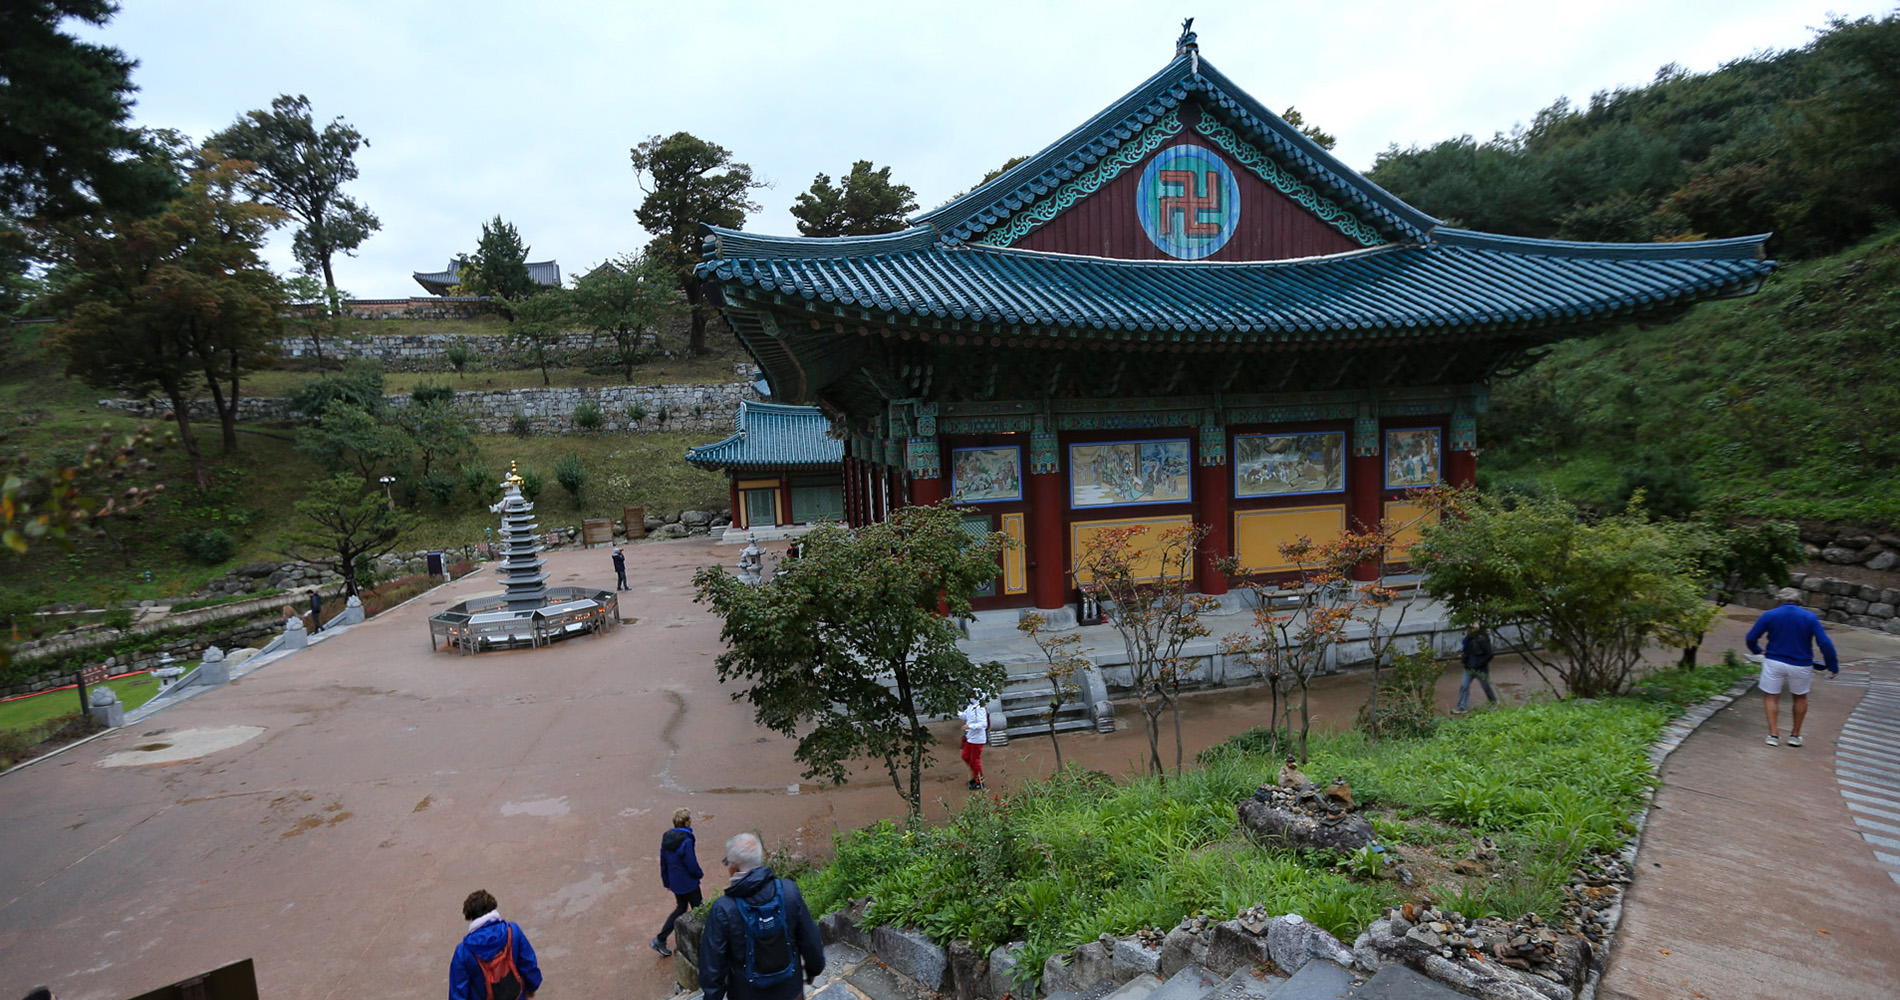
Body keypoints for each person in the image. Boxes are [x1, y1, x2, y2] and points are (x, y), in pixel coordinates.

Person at [698, 832, 825, 1000]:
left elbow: (712, 965)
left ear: (734, 867)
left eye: (727, 862)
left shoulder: (723, 908)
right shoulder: (788, 891)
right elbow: (810, 939)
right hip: (790, 990)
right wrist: (813, 969)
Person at [1746, 586, 1840, 747]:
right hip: (1801, 664)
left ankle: (1773, 735)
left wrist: (1757, 650)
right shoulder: (1810, 617)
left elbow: (1751, 637)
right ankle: (1795, 735)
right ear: (1799, 601)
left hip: (1774, 661)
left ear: (1778, 600)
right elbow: (1824, 642)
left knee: (1771, 696)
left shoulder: (1769, 615)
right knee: (1800, 697)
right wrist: (1832, 665)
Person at [450, 889, 542, 1000]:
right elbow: (528, 964)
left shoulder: (463, 952)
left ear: (470, 917)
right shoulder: (513, 931)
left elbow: (458, 992)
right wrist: (531, 989)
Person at [650, 807, 704, 957]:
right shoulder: (686, 840)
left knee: (681, 908)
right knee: (699, 910)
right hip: (689, 883)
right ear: (686, 823)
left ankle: (661, 939)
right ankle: (704, 944)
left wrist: (667, 881)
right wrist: (699, 874)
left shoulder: (667, 837)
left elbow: (663, 861)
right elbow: (691, 863)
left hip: (675, 883)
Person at [1453, 623, 1496, 714]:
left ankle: (1493, 703)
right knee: (1464, 685)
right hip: (1469, 667)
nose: (1469, 629)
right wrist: (1464, 657)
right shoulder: (1468, 639)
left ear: (1476, 628)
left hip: (1480, 668)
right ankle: (1462, 706)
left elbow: (1490, 654)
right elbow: (1467, 651)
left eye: (1471, 628)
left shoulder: (1482, 640)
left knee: (1486, 685)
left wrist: (1480, 663)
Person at [959, 696, 989, 790]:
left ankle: (979, 781)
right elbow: (965, 715)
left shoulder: (980, 708)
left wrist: (970, 726)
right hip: (970, 737)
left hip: (977, 738)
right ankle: (976, 775)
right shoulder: (971, 706)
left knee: (974, 760)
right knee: (965, 756)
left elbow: (984, 724)